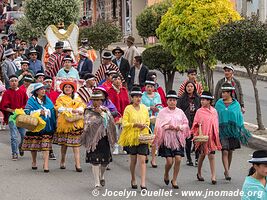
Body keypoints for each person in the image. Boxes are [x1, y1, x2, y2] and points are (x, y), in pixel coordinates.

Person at [154, 90, 190, 189]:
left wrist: (180, 127)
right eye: (170, 100)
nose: (172, 102)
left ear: (176, 101)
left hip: (178, 138)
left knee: (178, 159)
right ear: (167, 101)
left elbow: (186, 123)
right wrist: (167, 126)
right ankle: (166, 173)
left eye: (174, 100)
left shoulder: (180, 112)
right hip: (166, 139)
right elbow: (158, 126)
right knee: (169, 161)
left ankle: (174, 179)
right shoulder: (162, 112)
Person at [215, 82, 251, 181]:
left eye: (225, 92)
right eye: (222, 92)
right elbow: (215, 116)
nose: (223, 94)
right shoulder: (219, 103)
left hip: (233, 131)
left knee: (230, 151)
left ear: (230, 93)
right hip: (222, 131)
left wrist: (240, 130)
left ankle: (227, 169)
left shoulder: (236, 104)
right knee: (225, 150)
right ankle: (226, 171)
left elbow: (239, 117)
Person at [81, 90, 117, 188]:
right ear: (92, 100)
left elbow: (110, 122)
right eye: (95, 100)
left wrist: (102, 114)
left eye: (99, 100)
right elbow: (88, 122)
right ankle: (96, 181)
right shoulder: (88, 110)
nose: (97, 102)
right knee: (95, 161)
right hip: (93, 139)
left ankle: (102, 175)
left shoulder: (105, 110)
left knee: (105, 162)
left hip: (104, 137)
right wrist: (95, 120)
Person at [118, 86, 150, 190]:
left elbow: (148, 121)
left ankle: (143, 183)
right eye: (136, 96)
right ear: (132, 98)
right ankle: (133, 178)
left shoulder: (144, 108)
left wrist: (144, 125)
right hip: (132, 137)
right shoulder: (128, 109)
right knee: (133, 160)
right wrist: (134, 125)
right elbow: (124, 123)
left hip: (143, 137)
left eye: (140, 96)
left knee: (142, 159)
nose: (138, 98)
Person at [22, 83, 56, 172]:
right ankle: (34, 161)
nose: (43, 91)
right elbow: (27, 111)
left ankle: (46, 165)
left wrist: (48, 111)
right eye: (41, 89)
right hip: (35, 126)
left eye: (44, 89)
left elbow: (52, 110)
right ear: (36, 91)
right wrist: (37, 112)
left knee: (46, 145)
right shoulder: (31, 101)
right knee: (34, 145)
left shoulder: (47, 100)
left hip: (46, 126)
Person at [53, 81, 86, 172]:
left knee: (76, 145)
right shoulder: (60, 98)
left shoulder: (77, 98)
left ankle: (78, 165)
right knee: (64, 145)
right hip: (65, 124)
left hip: (76, 124)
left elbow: (82, 106)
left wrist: (79, 110)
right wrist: (71, 110)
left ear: (72, 89)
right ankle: (62, 161)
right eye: (66, 87)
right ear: (63, 89)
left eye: (69, 87)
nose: (67, 88)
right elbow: (58, 108)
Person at [191, 91, 222, 185]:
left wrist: (216, 134)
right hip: (202, 137)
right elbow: (195, 124)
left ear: (209, 101)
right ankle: (199, 172)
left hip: (211, 137)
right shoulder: (199, 111)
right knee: (202, 155)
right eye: (202, 100)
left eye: (204, 100)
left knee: (211, 156)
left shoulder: (214, 111)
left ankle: (213, 176)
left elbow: (216, 123)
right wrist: (198, 129)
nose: (202, 101)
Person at [0, 75, 28, 160]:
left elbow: (27, 104)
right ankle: (14, 153)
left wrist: (21, 110)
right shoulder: (7, 93)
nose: (14, 83)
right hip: (12, 117)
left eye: (15, 81)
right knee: (14, 136)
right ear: (9, 82)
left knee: (23, 135)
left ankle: (21, 146)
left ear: (18, 82)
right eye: (12, 81)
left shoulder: (22, 92)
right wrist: (11, 110)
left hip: (21, 116)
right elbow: (3, 106)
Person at [177, 81, 201, 166]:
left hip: (196, 120)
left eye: (191, 86)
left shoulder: (198, 98)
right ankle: (188, 158)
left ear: (194, 88)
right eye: (188, 86)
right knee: (188, 140)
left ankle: (197, 158)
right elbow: (179, 110)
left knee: (197, 140)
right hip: (186, 121)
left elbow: (201, 109)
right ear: (185, 88)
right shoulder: (181, 98)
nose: (189, 88)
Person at [141, 79, 163, 168]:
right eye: (148, 86)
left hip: (155, 119)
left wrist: (158, 109)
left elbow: (160, 106)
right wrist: (150, 108)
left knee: (154, 139)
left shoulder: (157, 95)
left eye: (151, 87)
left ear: (154, 87)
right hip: (145, 118)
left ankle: (153, 159)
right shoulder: (142, 96)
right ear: (145, 87)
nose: (150, 88)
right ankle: (145, 154)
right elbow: (141, 107)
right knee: (146, 138)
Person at [107, 74, 130, 154]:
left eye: (119, 79)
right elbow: (109, 103)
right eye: (115, 79)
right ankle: (116, 146)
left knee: (123, 130)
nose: (117, 81)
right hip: (114, 114)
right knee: (115, 131)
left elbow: (127, 101)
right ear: (112, 81)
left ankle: (123, 147)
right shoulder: (110, 91)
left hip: (124, 113)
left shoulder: (124, 90)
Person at [43, 76, 60, 160]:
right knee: (46, 134)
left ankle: (48, 148)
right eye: (47, 82)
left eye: (50, 82)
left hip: (54, 116)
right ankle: (50, 151)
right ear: (43, 83)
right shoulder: (41, 94)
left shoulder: (56, 93)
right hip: (44, 116)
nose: (48, 84)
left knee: (51, 134)